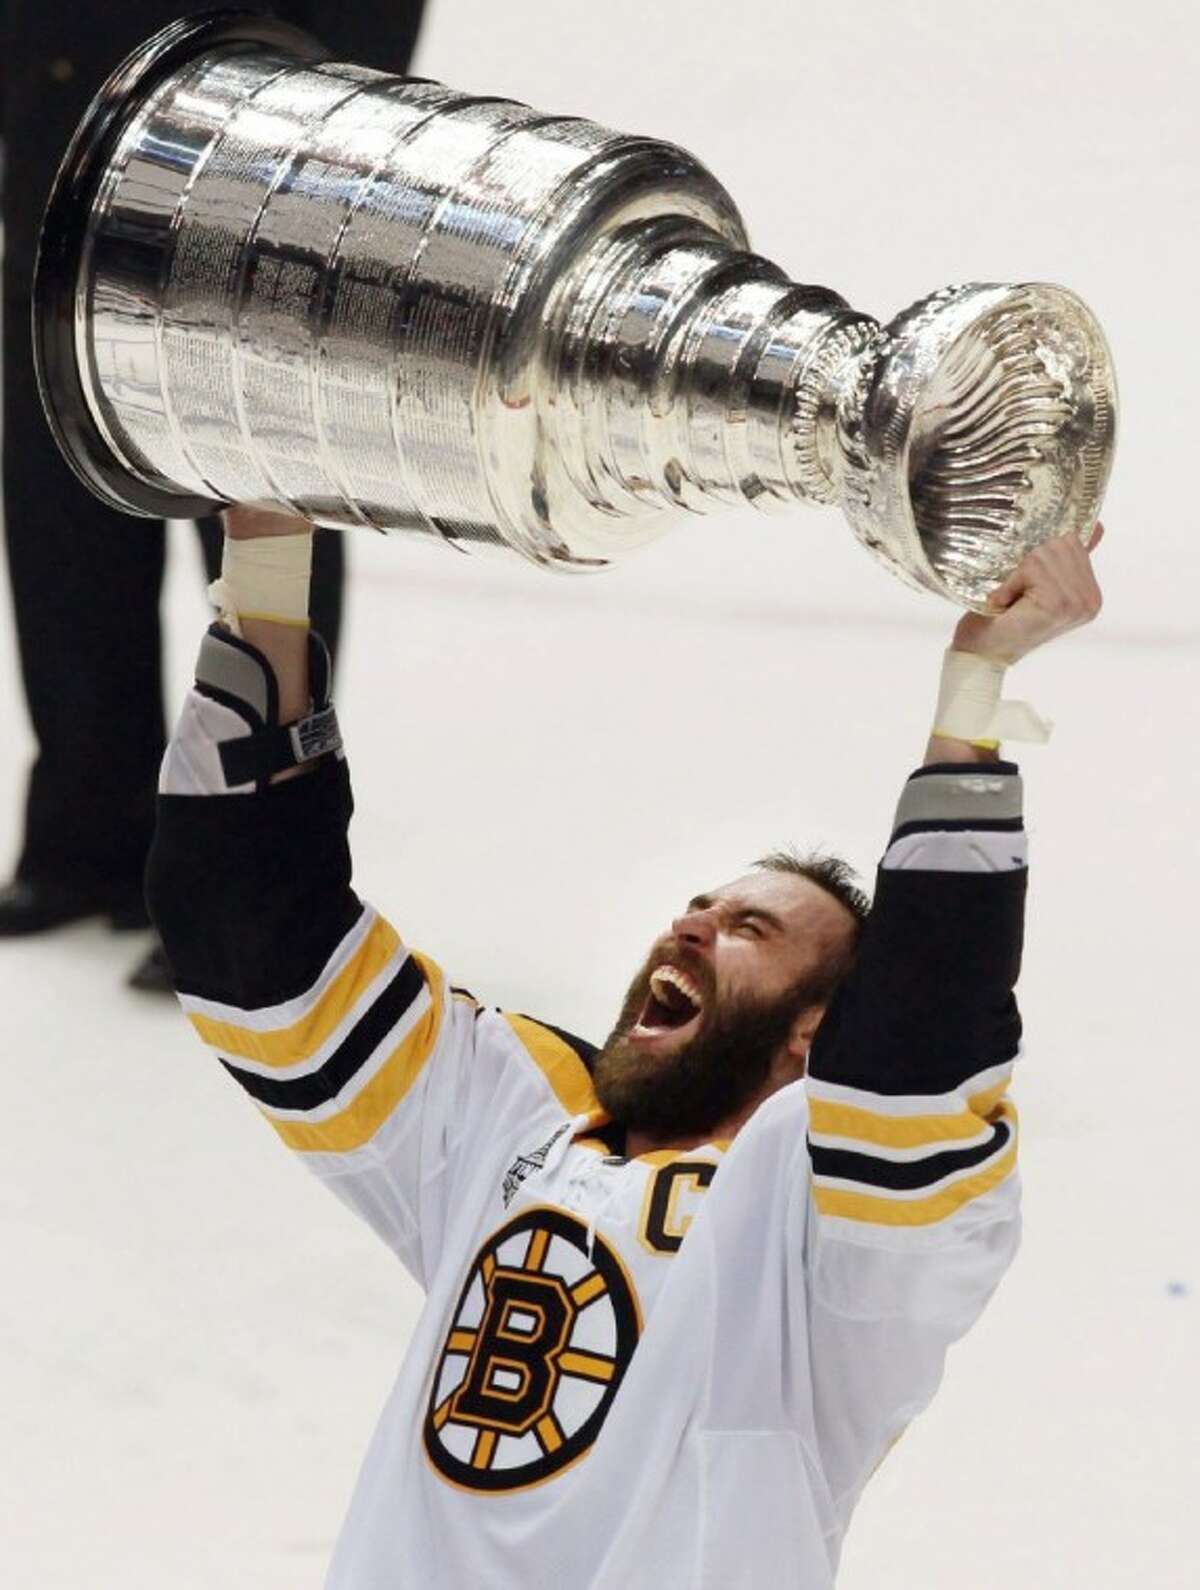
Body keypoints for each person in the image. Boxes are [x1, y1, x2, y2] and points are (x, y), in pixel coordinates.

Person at [146, 503, 1103, 1588]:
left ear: (815, 1034)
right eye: (698, 906)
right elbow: (257, 952)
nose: (690, 927)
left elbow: (918, 1055)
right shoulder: (519, 1117)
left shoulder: (830, 1255)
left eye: (751, 930)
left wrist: (973, 696)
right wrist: (271, 545)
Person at [0, 0, 425, 987]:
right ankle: (88, 834)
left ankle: (247, 870)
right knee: (62, 521)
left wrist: (325, 115)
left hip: (244, 177)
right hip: (59, 139)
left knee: (259, 531)